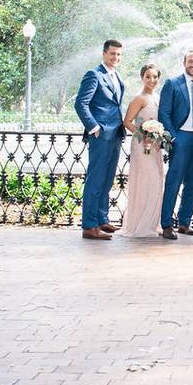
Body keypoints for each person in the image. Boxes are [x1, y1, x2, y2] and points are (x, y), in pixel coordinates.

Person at [74, 39, 126, 241]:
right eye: (112, 54)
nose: (116, 58)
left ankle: (101, 218)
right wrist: (94, 127)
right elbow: (81, 104)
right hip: (101, 134)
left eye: (119, 55)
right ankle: (89, 225)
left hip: (115, 134)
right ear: (104, 54)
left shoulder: (116, 75)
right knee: (95, 179)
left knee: (107, 179)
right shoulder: (94, 75)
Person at [157, 51, 193, 240]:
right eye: (190, 61)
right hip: (181, 138)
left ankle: (185, 222)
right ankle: (167, 224)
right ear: (184, 63)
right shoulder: (172, 84)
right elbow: (164, 113)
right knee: (173, 182)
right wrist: (174, 138)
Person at [116, 64, 164, 238]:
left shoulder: (158, 98)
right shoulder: (139, 98)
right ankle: (140, 225)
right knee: (148, 181)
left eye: (155, 77)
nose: (152, 80)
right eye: (148, 76)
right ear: (142, 77)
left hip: (155, 147)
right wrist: (143, 135)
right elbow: (127, 121)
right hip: (142, 145)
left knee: (157, 182)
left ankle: (151, 223)